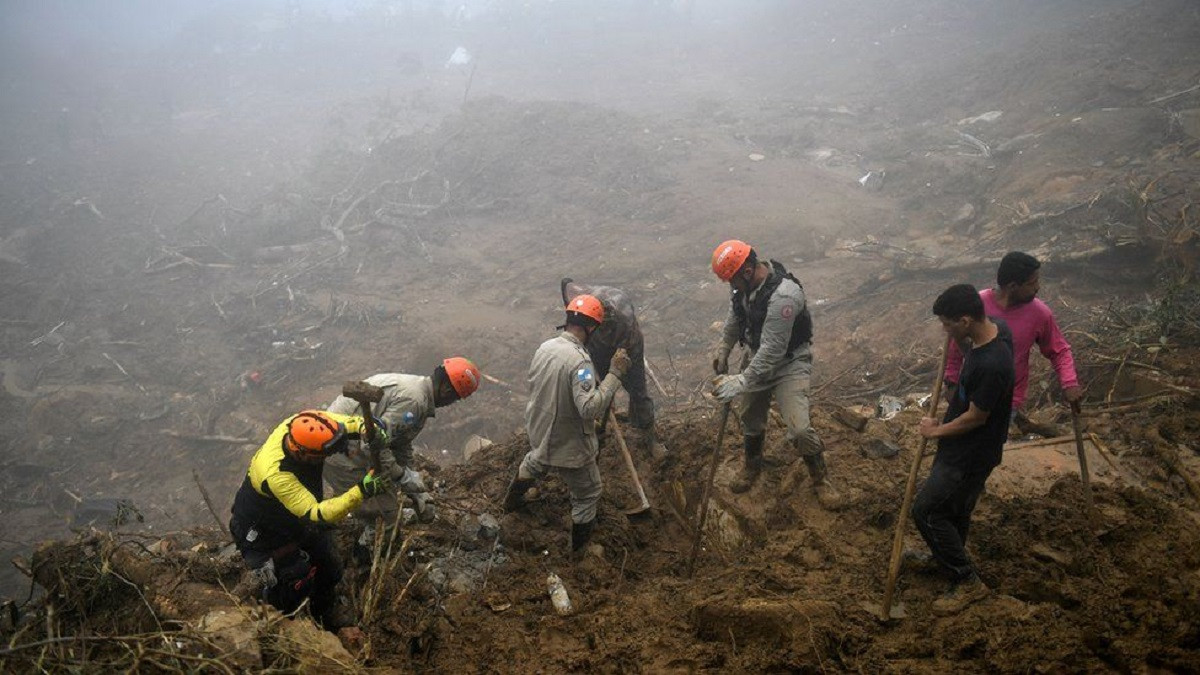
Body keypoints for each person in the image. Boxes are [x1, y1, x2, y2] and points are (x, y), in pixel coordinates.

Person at [229, 410, 393, 630]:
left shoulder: (300, 424)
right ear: (303, 454)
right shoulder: (276, 474)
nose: (326, 458)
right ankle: (283, 627)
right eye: (321, 455)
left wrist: (365, 426)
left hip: (296, 523)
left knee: (330, 568)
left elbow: (339, 424)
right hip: (265, 532)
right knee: (293, 583)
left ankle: (324, 616)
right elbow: (317, 513)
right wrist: (361, 491)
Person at [709, 239, 841, 508]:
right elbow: (735, 317)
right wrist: (724, 348)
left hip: (788, 363)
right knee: (750, 416)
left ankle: (820, 478)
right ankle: (752, 466)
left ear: (746, 271)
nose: (730, 286)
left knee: (800, 429)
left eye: (731, 280)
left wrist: (742, 380)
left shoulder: (784, 296)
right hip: (757, 356)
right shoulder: (744, 289)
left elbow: (773, 350)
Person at [913, 284, 1014, 616]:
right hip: (964, 448)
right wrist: (959, 339)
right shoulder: (996, 331)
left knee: (927, 511)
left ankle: (966, 580)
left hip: (970, 453)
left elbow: (976, 417)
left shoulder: (993, 363)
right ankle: (945, 555)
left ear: (966, 319)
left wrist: (935, 431)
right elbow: (967, 344)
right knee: (955, 511)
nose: (944, 329)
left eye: (948, 324)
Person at [502, 294, 632, 552]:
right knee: (588, 493)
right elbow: (588, 408)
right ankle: (580, 554)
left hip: (539, 428)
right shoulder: (580, 362)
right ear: (590, 327)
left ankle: (511, 503)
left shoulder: (546, 347)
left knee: (535, 460)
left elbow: (548, 388)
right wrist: (614, 375)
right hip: (567, 443)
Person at [324, 358, 482, 524]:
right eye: (455, 398)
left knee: (385, 492)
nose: (451, 403)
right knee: (384, 516)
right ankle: (364, 542)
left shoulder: (417, 390)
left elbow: (400, 441)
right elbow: (373, 444)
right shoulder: (414, 402)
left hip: (348, 444)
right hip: (339, 451)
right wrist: (402, 477)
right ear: (447, 390)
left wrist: (414, 487)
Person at [944, 251, 1081, 433]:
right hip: (969, 391)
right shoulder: (978, 305)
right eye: (1032, 283)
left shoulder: (1040, 314)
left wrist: (1069, 383)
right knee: (959, 445)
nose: (1037, 287)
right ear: (1013, 286)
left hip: (1007, 399)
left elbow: (1059, 350)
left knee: (986, 450)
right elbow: (956, 342)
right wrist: (951, 380)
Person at [561, 278, 665, 459]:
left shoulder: (621, 315)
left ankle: (648, 435)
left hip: (626, 348)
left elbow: (622, 357)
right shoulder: (579, 303)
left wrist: (616, 371)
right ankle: (599, 428)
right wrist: (585, 369)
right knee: (591, 390)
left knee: (638, 391)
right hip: (594, 348)